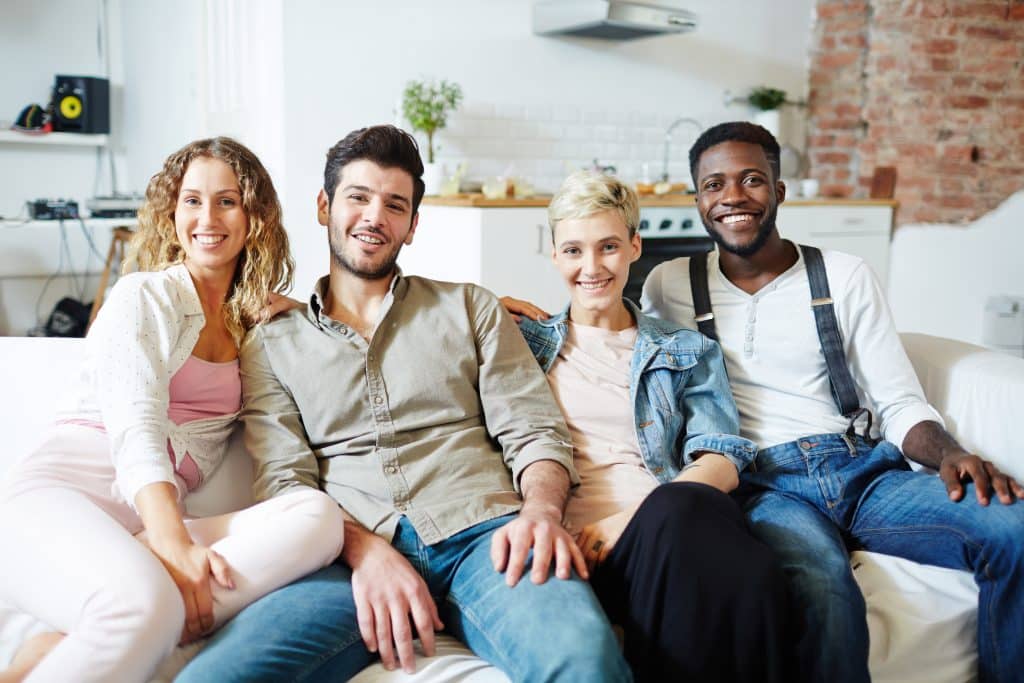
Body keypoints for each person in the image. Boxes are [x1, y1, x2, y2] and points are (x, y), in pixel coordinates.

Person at [175, 125, 630, 683]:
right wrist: (366, 554)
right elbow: (285, 482)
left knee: (586, 662)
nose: (374, 217)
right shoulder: (272, 342)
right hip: (342, 561)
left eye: (394, 205)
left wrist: (540, 513)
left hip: (487, 537)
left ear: (412, 225)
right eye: (358, 197)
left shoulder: (470, 308)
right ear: (325, 206)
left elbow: (535, 432)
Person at [640, 121, 1024, 683]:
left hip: (860, 472)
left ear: (779, 191)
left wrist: (948, 453)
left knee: (1013, 531)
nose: (732, 198)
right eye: (714, 185)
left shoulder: (843, 275)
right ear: (698, 199)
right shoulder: (670, 284)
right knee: (824, 595)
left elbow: (897, 401)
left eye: (751, 180)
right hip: (762, 487)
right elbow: (608, 337)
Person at [0, 137, 345, 683]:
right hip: (57, 502)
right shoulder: (143, 296)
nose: (208, 217)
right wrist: (172, 541)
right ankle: (121, 621)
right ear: (171, 211)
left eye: (227, 201)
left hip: (141, 536)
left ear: (254, 216)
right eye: (192, 200)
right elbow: (136, 427)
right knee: (145, 606)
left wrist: (485, 305)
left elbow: (355, 337)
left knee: (320, 521)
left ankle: (64, 644)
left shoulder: (252, 325)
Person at [502, 170, 793, 682]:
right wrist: (478, 304)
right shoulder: (524, 345)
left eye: (608, 246)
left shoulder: (685, 350)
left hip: (662, 530)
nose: (591, 267)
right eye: (573, 251)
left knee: (745, 560)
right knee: (743, 563)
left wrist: (632, 517)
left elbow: (721, 460)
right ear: (554, 256)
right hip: (574, 543)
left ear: (635, 245)